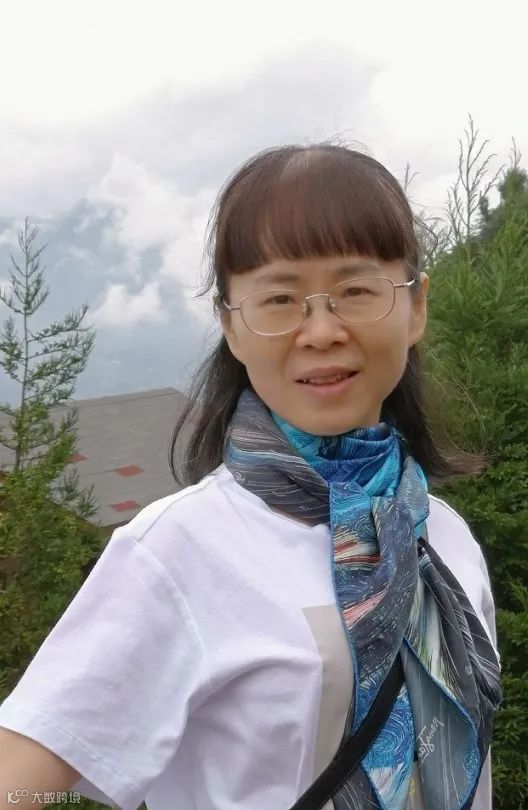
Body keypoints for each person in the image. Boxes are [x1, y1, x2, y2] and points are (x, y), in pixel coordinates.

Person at [0, 143, 502, 810]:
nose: (320, 331)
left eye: (356, 291)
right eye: (279, 299)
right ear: (231, 327)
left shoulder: (445, 538)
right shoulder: (176, 551)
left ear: (416, 307)